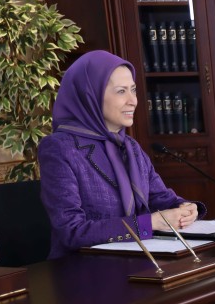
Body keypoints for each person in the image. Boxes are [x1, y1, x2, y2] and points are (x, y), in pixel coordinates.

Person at [38, 50, 202, 258]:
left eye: (133, 90)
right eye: (121, 91)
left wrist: (186, 208)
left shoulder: (130, 147)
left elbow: (160, 198)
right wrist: (149, 222)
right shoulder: (60, 148)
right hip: (84, 269)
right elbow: (71, 231)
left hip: (139, 259)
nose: (133, 101)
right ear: (91, 96)